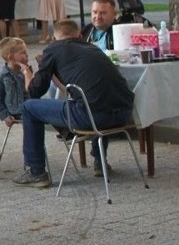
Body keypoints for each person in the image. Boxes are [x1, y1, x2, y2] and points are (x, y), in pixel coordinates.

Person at [13, 19, 134, 187]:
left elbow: (34, 92)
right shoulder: (93, 48)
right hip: (124, 114)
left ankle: (37, 172)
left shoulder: (53, 49)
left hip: (92, 117)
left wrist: (27, 71)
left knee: (29, 108)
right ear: (79, 35)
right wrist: (53, 70)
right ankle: (100, 162)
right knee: (96, 98)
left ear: (55, 39)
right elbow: (68, 89)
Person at [0, 37, 29, 126]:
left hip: (30, 107)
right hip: (16, 112)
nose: (27, 55)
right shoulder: (2, 77)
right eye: (23, 53)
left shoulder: (26, 71)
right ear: (11, 57)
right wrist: (5, 116)